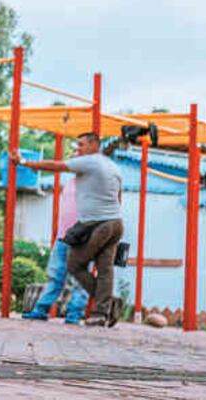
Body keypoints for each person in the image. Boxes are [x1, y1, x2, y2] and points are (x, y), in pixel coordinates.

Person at [16, 132, 125, 327]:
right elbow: (117, 196)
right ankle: (101, 311)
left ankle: (96, 305)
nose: (77, 150)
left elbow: (55, 165)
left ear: (94, 145)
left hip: (91, 228)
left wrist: (24, 162)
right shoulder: (110, 168)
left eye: (81, 145)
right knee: (103, 270)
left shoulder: (91, 162)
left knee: (75, 265)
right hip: (102, 225)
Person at [19, 172, 89, 324]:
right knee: (55, 274)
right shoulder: (71, 181)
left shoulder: (93, 182)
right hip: (63, 236)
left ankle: (74, 314)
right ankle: (41, 309)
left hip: (81, 237)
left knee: (80, 278)